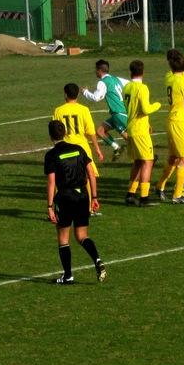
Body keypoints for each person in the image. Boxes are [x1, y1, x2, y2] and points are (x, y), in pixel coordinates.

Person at [44, 120, 106, 284]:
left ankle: (68, 276)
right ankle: (97, 260)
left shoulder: (51, 155)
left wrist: (49, 206)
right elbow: (91, 174)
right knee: (81, 235)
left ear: (50, 136)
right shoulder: (78, 150)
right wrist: (94, 197)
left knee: (64, 238)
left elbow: (51, 182)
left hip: (65, 197)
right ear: (65, 133)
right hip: (82, 196)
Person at [155, 50, 184, 204]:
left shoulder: (169, 78)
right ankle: (177, 195)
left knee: (173, 157)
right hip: (180, 122)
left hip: (171, 120)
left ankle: (159, 186)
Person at [121, 60, 162, 207]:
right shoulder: (142, 88)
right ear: (143, 72)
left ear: (130, 72)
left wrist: (147, 123)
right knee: (148, 161)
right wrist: (157, 105)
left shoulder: (126, 87)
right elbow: (145, 109)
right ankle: (144, 197)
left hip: (131, 128)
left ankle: (130, 194)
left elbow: (134, 109)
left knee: (138, 162)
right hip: (140, 131)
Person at [81, 59, 129, 160]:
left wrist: (85, 92)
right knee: (100, 131)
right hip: (119, 112)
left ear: (99, 70)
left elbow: (96, 97)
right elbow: (130, 84)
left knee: (129, 139)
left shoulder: (103, 82)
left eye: (96, 70)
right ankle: (117, 147)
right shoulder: (117, 79)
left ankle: (146, 157)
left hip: (118, 113)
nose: (95, 72)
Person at [53, 83, 104, 166]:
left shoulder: (58, 111)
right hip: (82, 148)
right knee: (89, 174)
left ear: (65, 95)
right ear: (77, 95)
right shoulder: (84, 110)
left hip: (66, 148)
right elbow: (91, 131)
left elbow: (55, 131)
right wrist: (97, 149)